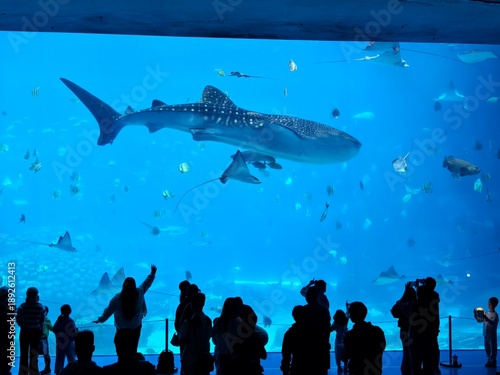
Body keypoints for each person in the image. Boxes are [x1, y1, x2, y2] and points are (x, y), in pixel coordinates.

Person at [94, 264, 157, 353]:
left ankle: (122, 363)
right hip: (135, 327)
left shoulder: (117, 298)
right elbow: (147, 282)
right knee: (133, 348)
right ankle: (133, 362)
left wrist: (100, 319)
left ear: (123, 285)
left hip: (121, 329)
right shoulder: (140, 292)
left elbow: (108, 311)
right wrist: (153, 272)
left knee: (121, 349)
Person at [343, 301, 386, 375]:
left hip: (356, 371)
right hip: (374, 370)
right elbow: (381, 348)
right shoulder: (377, 331)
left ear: (352, 316)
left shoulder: (350, 335)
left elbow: (345, 357)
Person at [179, 293, 213, 375]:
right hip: (204, 357)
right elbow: (210, 335)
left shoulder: (189, 322)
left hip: (190, 357)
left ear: (191, 304)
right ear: (203, 304)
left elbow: (181, 338)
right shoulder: (208, 320)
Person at [16, 287, 45, 375]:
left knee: (23, 352)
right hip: (35, 332)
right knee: (34, 352)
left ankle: (23, 372)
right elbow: (42, 320)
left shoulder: (22, 306)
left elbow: (18, 318)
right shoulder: (40, 306)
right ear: (36, 296)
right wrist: (39, 328)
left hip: (25, 331)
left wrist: (22, 325)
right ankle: (34, 371)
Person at [391, 284, 416, 375]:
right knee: (414, 353)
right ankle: (414, 370)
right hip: (415, 331)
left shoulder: (401, 303)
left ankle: (405, 369)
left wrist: (403, 295)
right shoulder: (416, 303)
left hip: (404, 331)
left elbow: (393, 312)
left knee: (406, 351)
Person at [281, 305, 309, 375]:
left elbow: (286, 354)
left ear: (293, 316)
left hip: (297, 367)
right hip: (312, 367)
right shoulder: (313, 332)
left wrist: (285, 369)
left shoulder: (289, 333)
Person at [53, 304, 77, 375]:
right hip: (69, 343)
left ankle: (58, 371)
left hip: (60, 343)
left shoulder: (59, 320)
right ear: (70, 311)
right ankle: (73, 371)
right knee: (71, 358)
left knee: (59, 358)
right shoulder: (70, 320)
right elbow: (73, 332)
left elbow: (54, 329)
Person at [474, 296, 498, 368]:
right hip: (485, 333)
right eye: (489, 303)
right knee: (487, 348)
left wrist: (484, 317)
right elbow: (479, 320)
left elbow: (492, 322)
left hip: (492, 335)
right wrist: (476, 315)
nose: (489, 305)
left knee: (492, 348)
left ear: (495, 305)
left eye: (490, 303)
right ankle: (489, 360)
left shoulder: (495, 315)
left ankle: (493, 361)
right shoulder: (486, 313)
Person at [1, 286, 13, 375]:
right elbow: (12, 315)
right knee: (8, 351)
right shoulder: (8, 304)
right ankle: (6, 370)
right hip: (7, 332)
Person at [39, 306, 53, 374]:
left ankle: (47, 368)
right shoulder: (38, 319)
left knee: (46, 354)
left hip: (43, 339)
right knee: (35, 354)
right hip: (37, 339)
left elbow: (52, 328)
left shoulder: (47, 320)